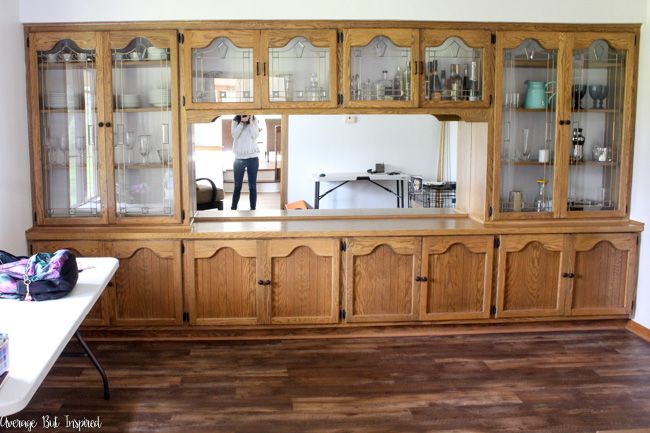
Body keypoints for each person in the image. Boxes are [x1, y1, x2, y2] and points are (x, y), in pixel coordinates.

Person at [230, 114, 260, 210]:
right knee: (237, 186)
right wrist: (242, 122)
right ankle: (233, 209)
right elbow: (234, 135)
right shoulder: (235, 121)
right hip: (239, 159)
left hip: (253, 158)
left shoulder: (254, 120)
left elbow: (255, 135)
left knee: (252, 186)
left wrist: (250, 122)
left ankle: (253, 209)